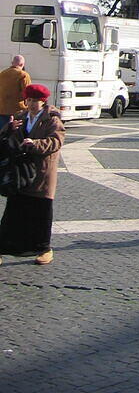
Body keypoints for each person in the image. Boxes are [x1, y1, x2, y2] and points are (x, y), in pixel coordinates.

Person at [0, 83, 65, 266]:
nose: (30, 104)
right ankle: (3, 248)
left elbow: (55, 142)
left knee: (41, 213)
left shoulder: (52, 119)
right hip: (21, 172)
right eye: (28, 100)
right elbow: (6, 137)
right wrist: (10, 128)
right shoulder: (21, 116)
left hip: (42, 173)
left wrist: (35, 144)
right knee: (13, 213)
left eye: (34, 101)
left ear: (43, 101)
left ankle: (44, 249)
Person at [0, 55, 31, 129]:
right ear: (22, 64)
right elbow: (28, 93)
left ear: (12, 63)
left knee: (2, 134)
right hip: (17, 111)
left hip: (2, 110)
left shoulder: (2, 74)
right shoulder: (23, 75)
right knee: (15, 136)